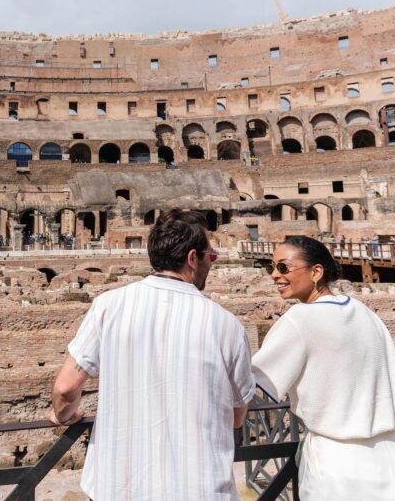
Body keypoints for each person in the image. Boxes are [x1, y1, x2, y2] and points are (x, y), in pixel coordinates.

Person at [48, 209, 255, 500]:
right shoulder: (227, 325)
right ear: (192, 258)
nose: (212, 263)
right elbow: (237, 414)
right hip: (199, 490)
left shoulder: (108, 306)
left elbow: (66, 388)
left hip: (120, 487)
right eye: (212, 257)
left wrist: (64, 414)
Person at [252, 236, 395, 500]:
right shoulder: (364, 311)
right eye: (272, 267)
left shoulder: (299, 319)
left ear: (316, 272)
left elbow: (255, 385)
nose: (274, 275)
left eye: (283, 267)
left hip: (338, 467)